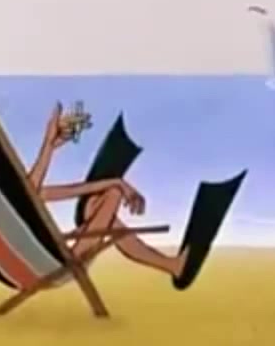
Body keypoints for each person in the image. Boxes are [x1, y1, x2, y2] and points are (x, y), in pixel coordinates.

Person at [26, 103, 190, 279]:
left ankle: (172, 265)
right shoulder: (20, 207)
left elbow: (72, 190)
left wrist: (118, 182)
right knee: (111, 195)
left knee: (100, 201)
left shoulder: (23, 208)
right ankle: (171, 265)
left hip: (60, 258)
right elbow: (29, 192)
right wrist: (48, 144)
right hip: (64, 264)